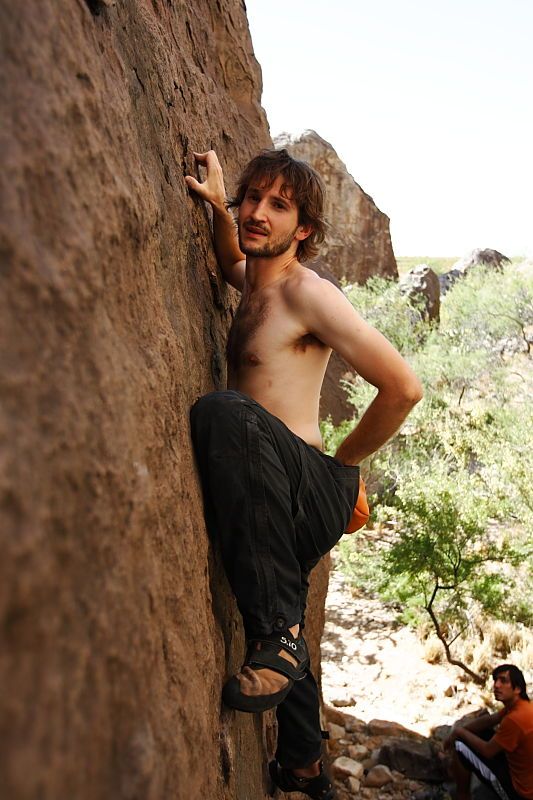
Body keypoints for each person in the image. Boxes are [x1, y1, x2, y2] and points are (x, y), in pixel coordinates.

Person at [186, 148, 422, 799]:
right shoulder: (259, 281)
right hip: (277, 485)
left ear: (305, 229)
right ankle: (302, 766)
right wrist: (213, 207)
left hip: (309, 483)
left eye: (278, 205)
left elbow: (401, 387)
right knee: (284, 592)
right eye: (250, 198)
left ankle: (278, 639)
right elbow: (236, 263)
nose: (256, 213)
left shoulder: (306, 293)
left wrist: (342, 467)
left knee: (223, 411)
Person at [445, 664, 533, 800]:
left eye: (503, 681)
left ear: (517, 689)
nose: (497, 685)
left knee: (459, 744)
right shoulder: (522, 706)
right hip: (524, 776)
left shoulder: (514, 719)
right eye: (495, 680)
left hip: (519, 794)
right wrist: (461, 730)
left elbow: (487, 751)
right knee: (481, 732)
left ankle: (462, 796)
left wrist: (459, 733)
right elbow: (491, 720)